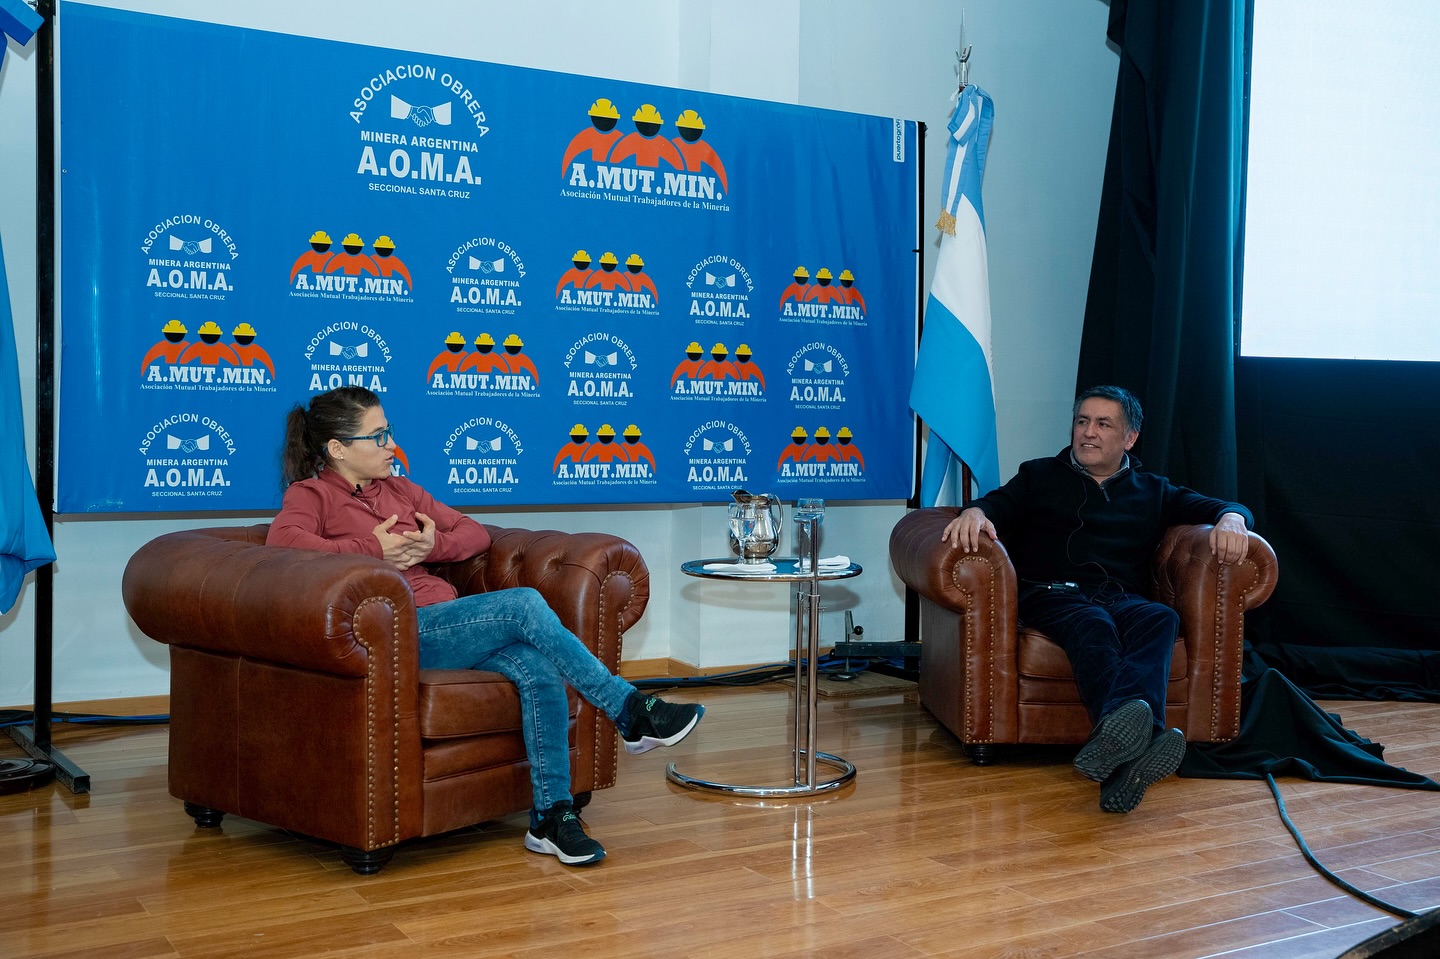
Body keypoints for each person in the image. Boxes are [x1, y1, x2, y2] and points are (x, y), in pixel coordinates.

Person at [268, 386, 705, 866]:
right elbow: (283, 546)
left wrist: (429, 547)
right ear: (337, 448)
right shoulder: (309, 496)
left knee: (538, 666)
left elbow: (472, 533)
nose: (391, 444)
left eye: (389, 432)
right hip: (399, 635)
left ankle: (552, 818)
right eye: (378, 436)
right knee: (522, 606)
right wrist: (375, 552)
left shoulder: (400, 489)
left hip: (449, 626)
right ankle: (630, 709)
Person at [941, 385, 1252, 813]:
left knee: (1160, 617)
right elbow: (994, 504)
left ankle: (1124, 754)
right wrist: (974, 513)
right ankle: (1141, 737)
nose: (1088, 433)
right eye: (1082, 421)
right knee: (1093, 624)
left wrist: (1233, 517)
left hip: (1121, 597)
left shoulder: (1153, 490)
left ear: (1129, 438)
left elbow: (1223, 505)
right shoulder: (1039, 476)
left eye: (1103, 424)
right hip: (1050, 594)